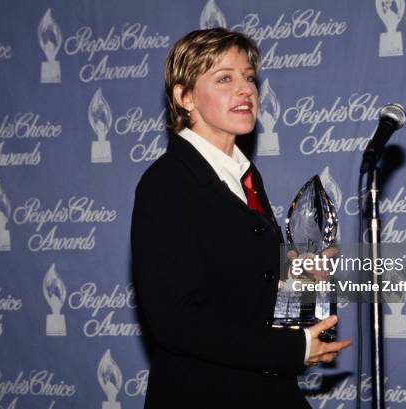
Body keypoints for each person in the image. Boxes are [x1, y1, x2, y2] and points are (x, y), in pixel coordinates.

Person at [131, 28, 351, 409]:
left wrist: (300, 283)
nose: (245, 89)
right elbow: (177, 321)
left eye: (249, 77)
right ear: (185, 98)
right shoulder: (167, 183)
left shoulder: (245, 177)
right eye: (224, 79)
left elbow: (245, 296)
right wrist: (293, 348)